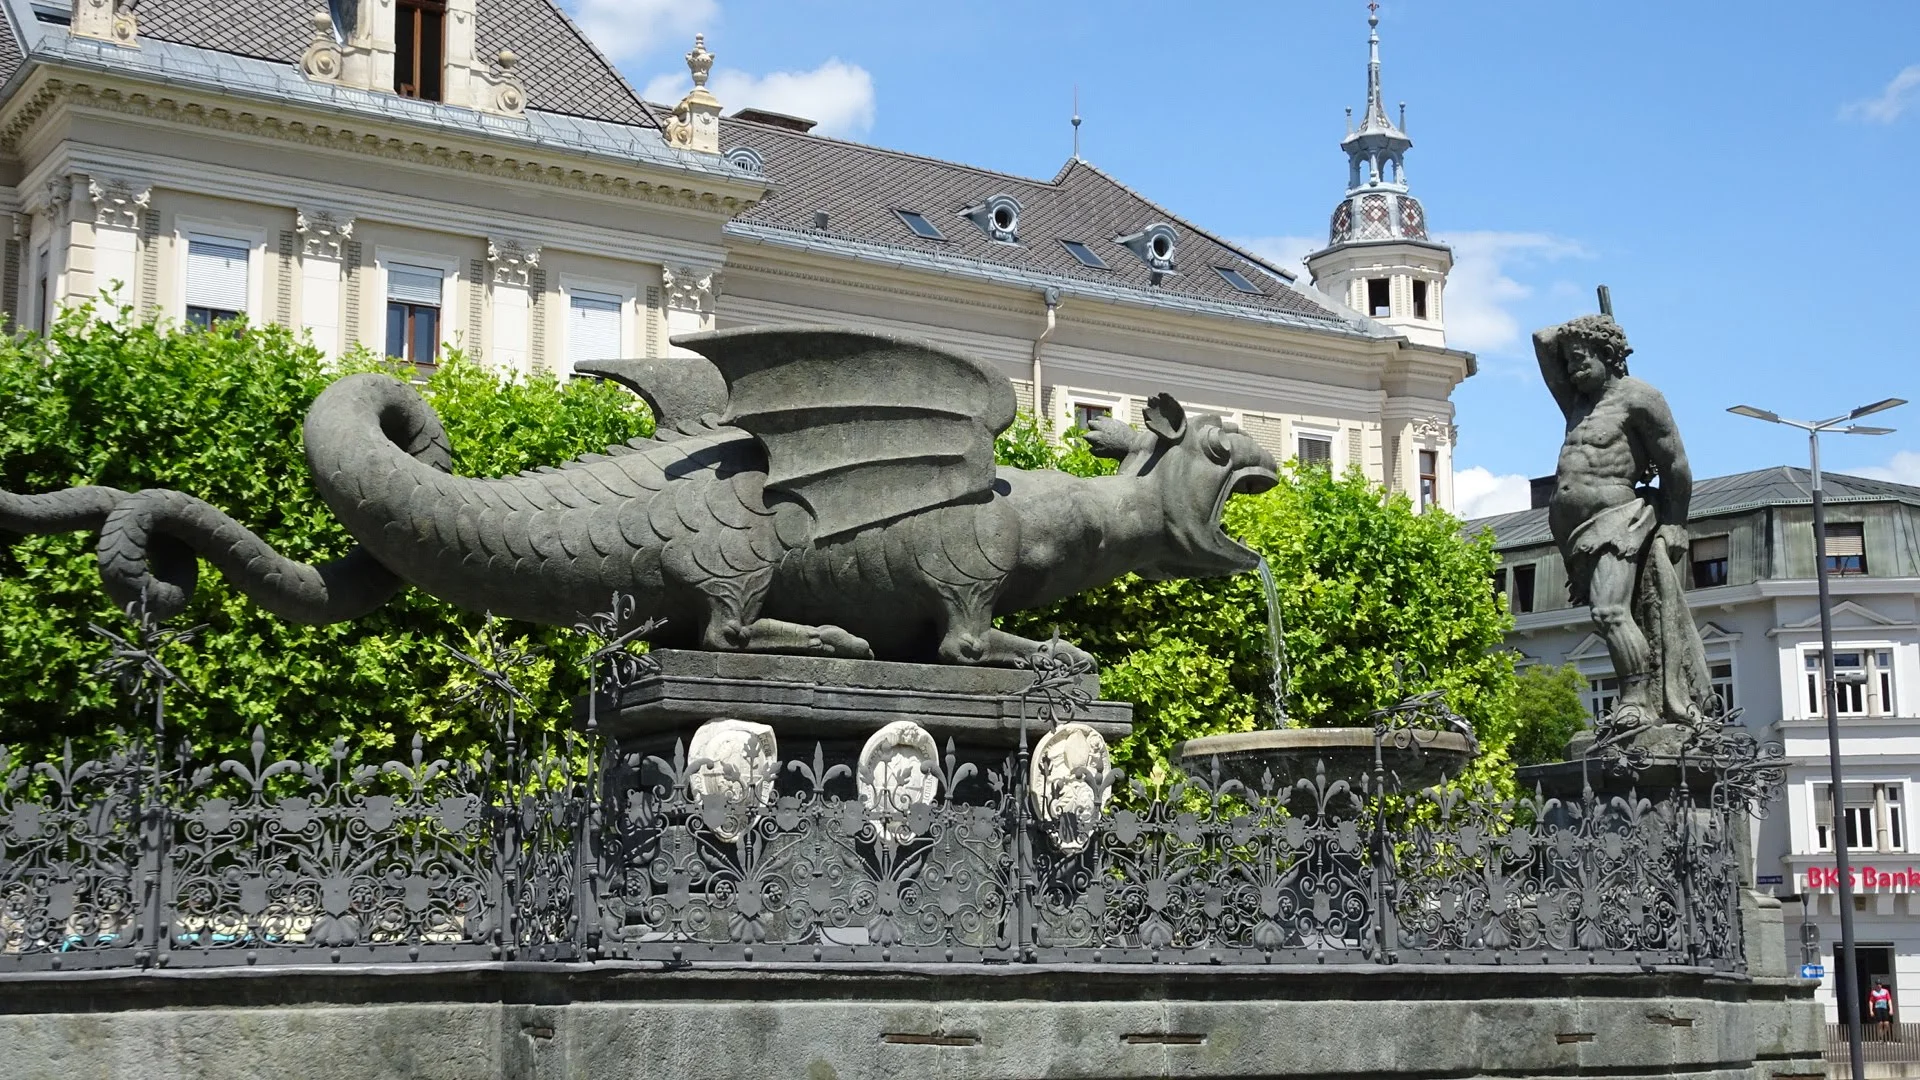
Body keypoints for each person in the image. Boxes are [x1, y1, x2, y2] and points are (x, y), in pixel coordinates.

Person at [1534, 314, 1715, 738]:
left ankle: (1637, 702)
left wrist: (1676, 524)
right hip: (1572, 530)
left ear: (1609, 356)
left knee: (1610, 609)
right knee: (1612, 615)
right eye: (1572, 362)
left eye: (1582, 361)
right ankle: (1636, 695)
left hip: (1618, 520)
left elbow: (1677, 466)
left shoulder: (1640, 397)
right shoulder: (1578, 401)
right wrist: (1581, 335)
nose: (1574, 370)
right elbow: (1542, 343)